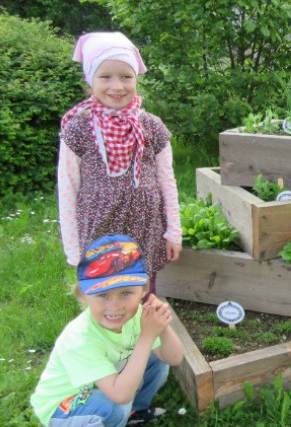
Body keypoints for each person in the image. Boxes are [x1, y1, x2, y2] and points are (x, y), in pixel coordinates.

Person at [58, 32, 182, 295]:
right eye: (105, 77)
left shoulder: (151, 126)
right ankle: (108, 335)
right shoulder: (78, 127)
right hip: (99, 229)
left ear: (136, 78)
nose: (117, 86)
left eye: (126, 76)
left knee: (143, 292)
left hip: (145, 228)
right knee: (105, 296)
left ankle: (143, 334)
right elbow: (67, 189)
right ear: (90, 79)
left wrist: (173, 232)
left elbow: (167, 182)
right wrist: (73, 249)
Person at [31, 235, 184, 426]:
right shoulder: (80, 338)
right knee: (115, 406)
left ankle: (134, 413)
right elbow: (120, 396)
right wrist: (147, 337)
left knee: (157, 359)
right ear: (84, 295)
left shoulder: (136, 315)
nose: (115, 306)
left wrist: (162, 327)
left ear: (143, 290)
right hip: (64, 407)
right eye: (103, 294)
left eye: (126, 293)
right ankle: (118, 416)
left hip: (103, 387)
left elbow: (174, 358)